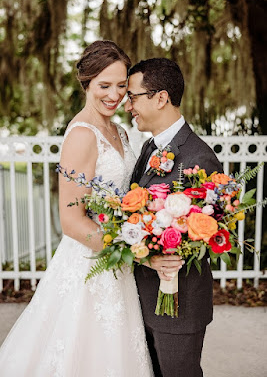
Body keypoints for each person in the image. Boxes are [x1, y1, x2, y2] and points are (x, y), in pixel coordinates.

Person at [0, 41, 154, 376]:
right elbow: (71, 220)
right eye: (104, 86)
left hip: (119, 258)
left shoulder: (120, 131)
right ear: (86, 83)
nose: (114, 95)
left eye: (121, 86)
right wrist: (130, 249)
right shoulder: (82, 135)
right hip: (91, 261)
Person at [125, 58, 224, 377]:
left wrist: (162, 250)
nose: (128, 106)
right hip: (144, 299)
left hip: (178, 307)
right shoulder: (149, 149)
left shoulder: (198, 156)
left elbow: (209, 233)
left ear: (160, 97)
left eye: (133, 96)